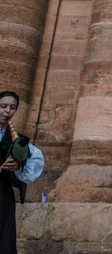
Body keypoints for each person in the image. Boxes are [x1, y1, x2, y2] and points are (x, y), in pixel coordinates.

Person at [0, 90, 45, 254]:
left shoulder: (16, 140)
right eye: (3, 106)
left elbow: (36, 160)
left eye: (12, 107)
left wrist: (17, 167)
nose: (7, 111)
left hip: (2, 196)